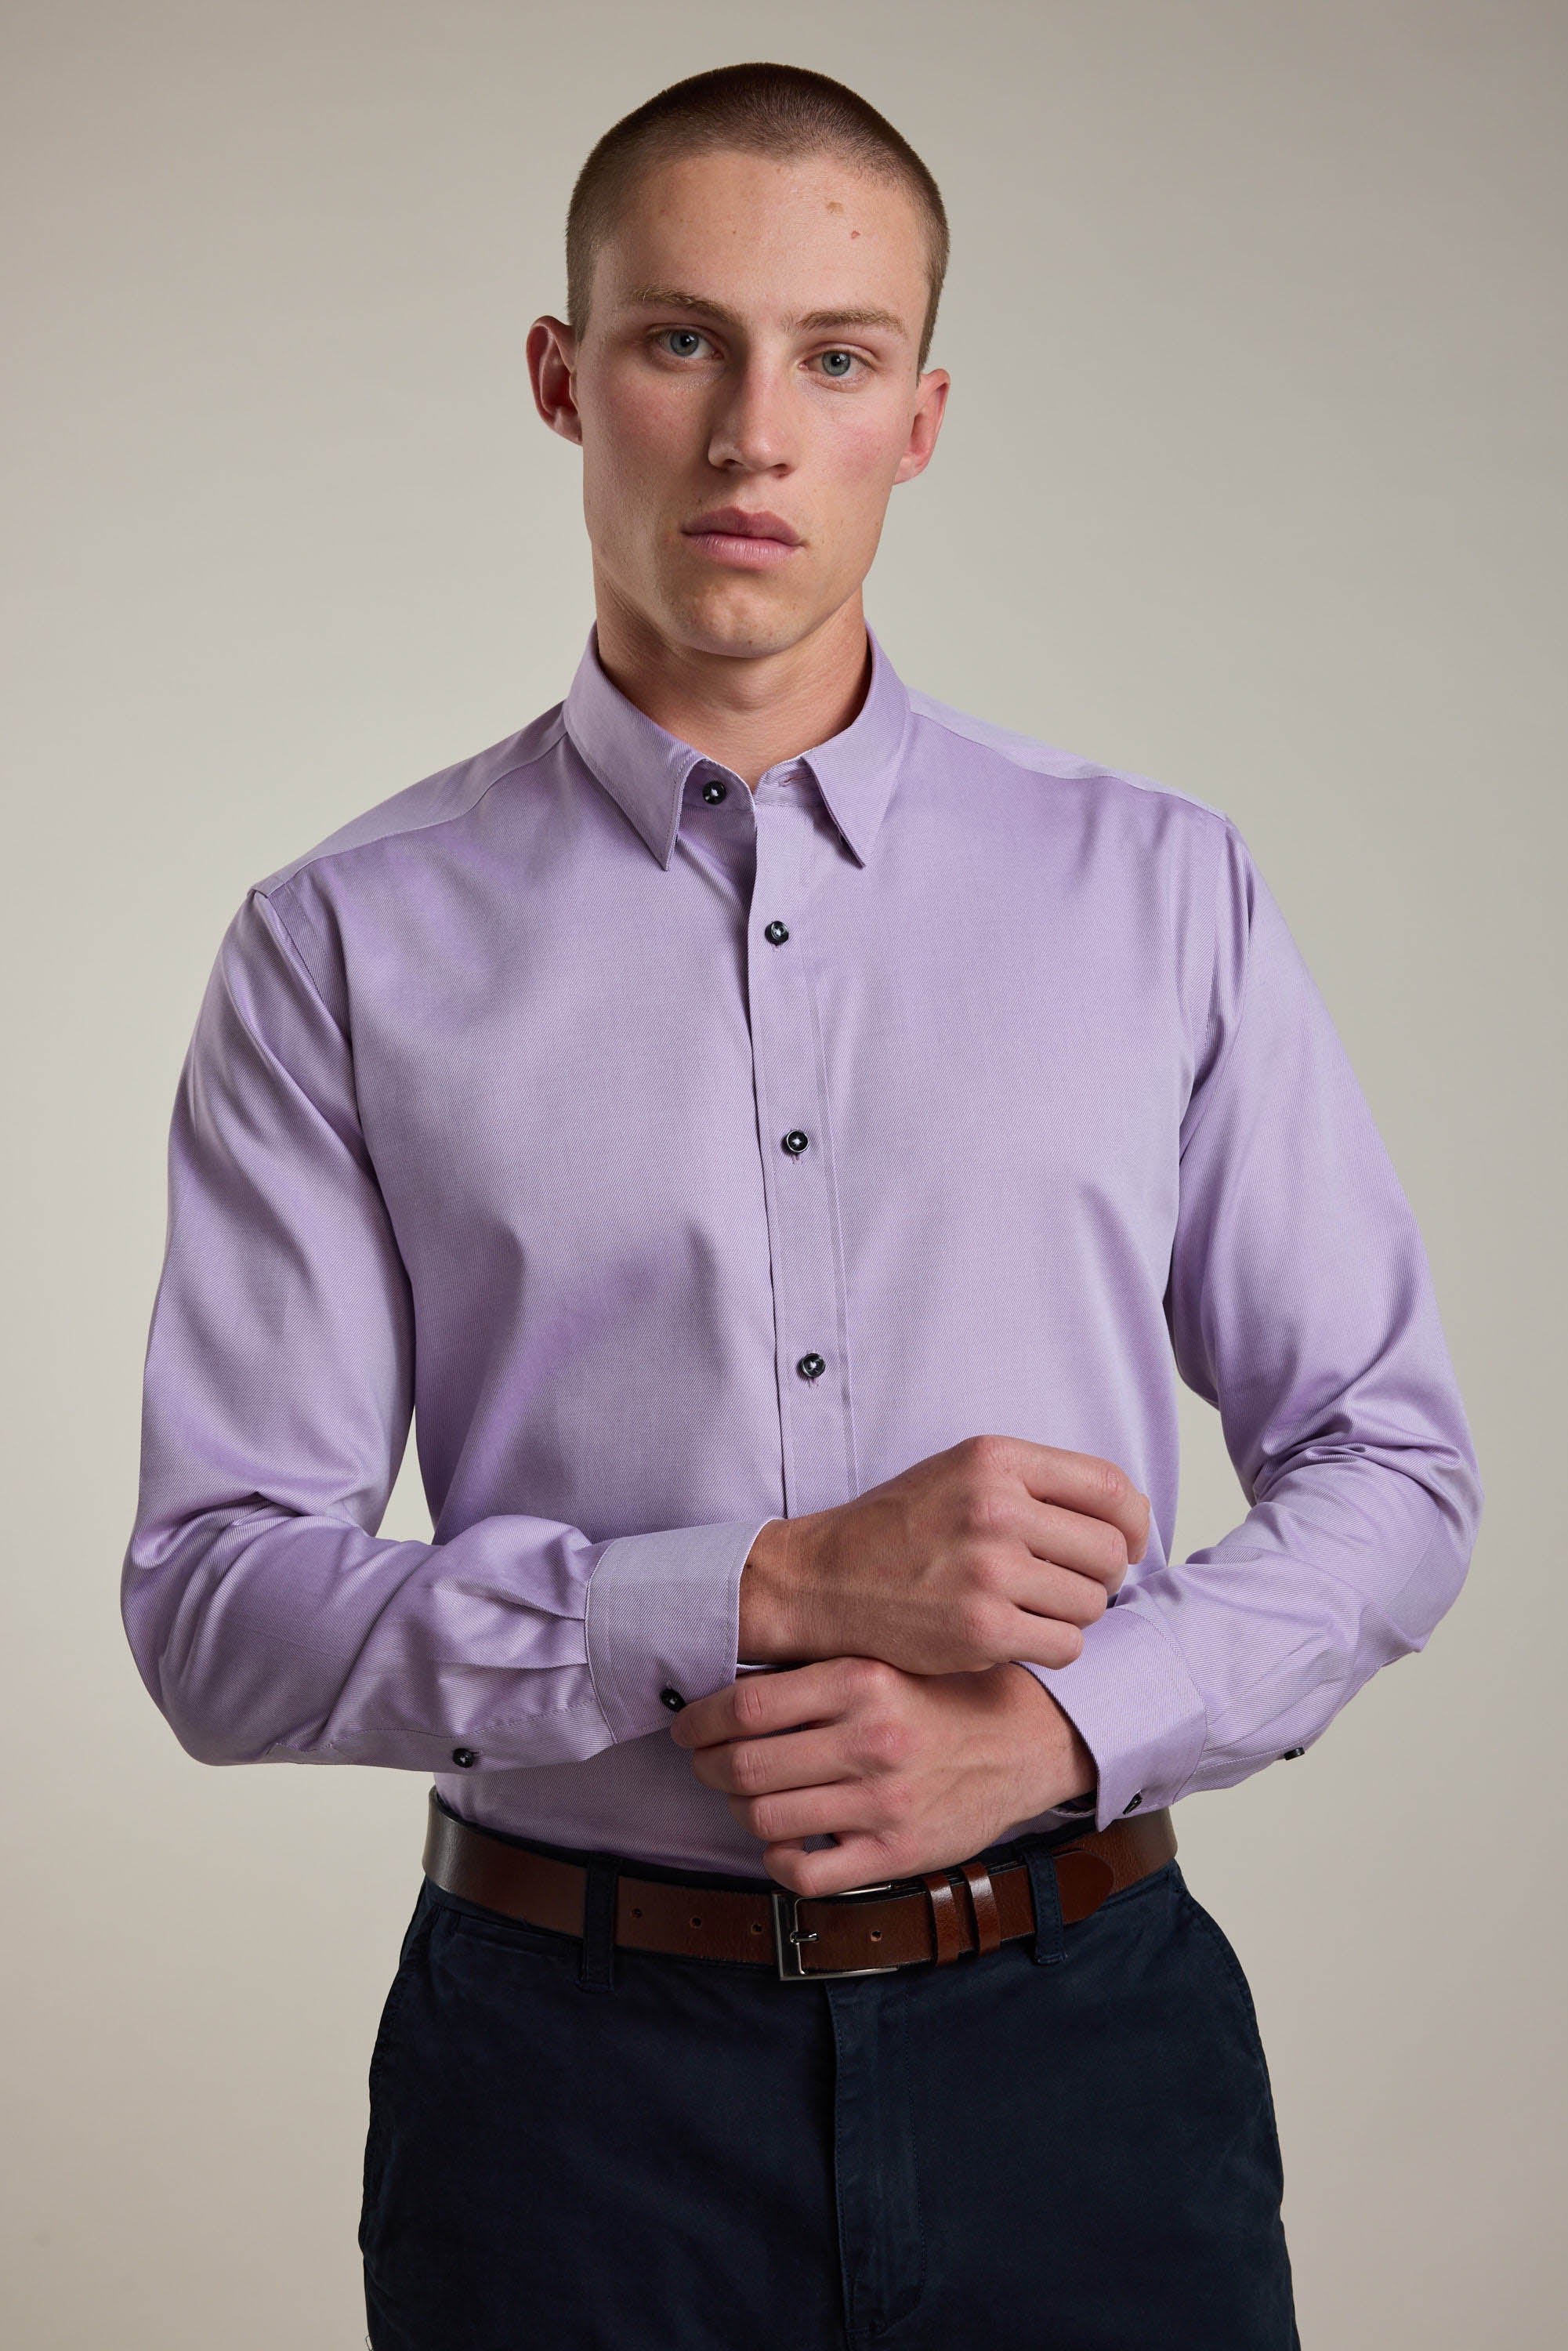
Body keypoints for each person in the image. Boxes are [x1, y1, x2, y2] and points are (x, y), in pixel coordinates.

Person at [120, 59, 1483, 2351]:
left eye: (832, 358)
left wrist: (1066, 1727)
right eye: (681, 341)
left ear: (916, 419)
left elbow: (1395, 1462)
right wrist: (753, 1589)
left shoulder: (1153, 893)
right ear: (565, 379)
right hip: (560, 2106)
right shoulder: (341, 946)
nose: (754, 432)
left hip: (1088, 2063)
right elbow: (215, 1603)